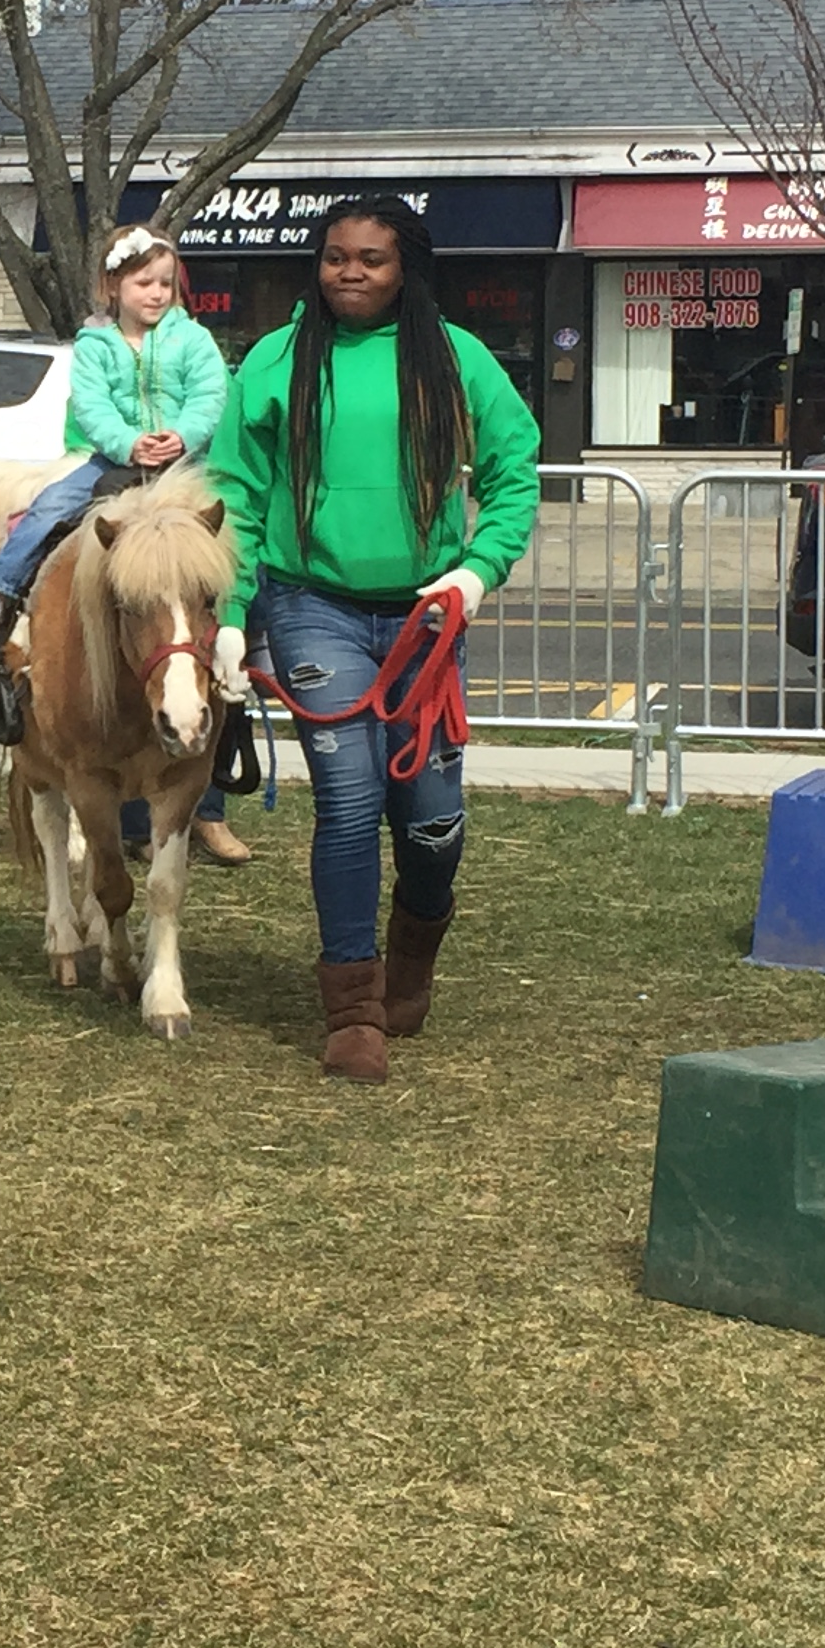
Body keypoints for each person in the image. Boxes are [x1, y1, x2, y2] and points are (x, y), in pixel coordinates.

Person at [210, 194, 540, 1084]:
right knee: (350, 801)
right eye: (335, 257)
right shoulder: (275, 361)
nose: (349, 272)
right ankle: (354, 1006)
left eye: (372, 259)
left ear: (407, 270)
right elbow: (234, 498)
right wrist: (231, 616)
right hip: (311, 604)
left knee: (431, 822)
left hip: (426, 620)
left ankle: (413, 956)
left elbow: (516, 477)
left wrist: (475, 572)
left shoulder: (458, 359)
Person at [0, 224, 251, 867]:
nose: (157, 294)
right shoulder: (93, 345)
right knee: (51, 507)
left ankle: (234, 641)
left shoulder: (193, 339)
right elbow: (90, 406)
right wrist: (126, 444)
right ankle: (1, 591)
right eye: (144, 283)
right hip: (113, 463)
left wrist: (179, 435)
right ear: (112, 286)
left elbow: (211, 394)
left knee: (224, 541)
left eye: (166, 283)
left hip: (179, 465)